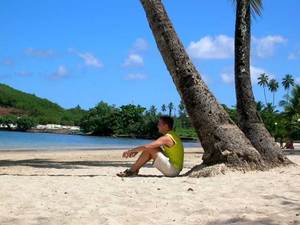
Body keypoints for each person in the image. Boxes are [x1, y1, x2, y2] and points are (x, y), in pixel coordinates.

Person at [117, 115, 184, 177]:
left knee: (150, 148)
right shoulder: (172, 135)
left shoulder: (167, 138)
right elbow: (149, 146)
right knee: (152, 148)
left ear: (166, 126)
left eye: (159, 124)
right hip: (174, 169)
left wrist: (131, 151)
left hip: (172, 171)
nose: (157, 126)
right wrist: (137, 150)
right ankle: (134, 170)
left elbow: (148, 146)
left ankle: (131, 171)